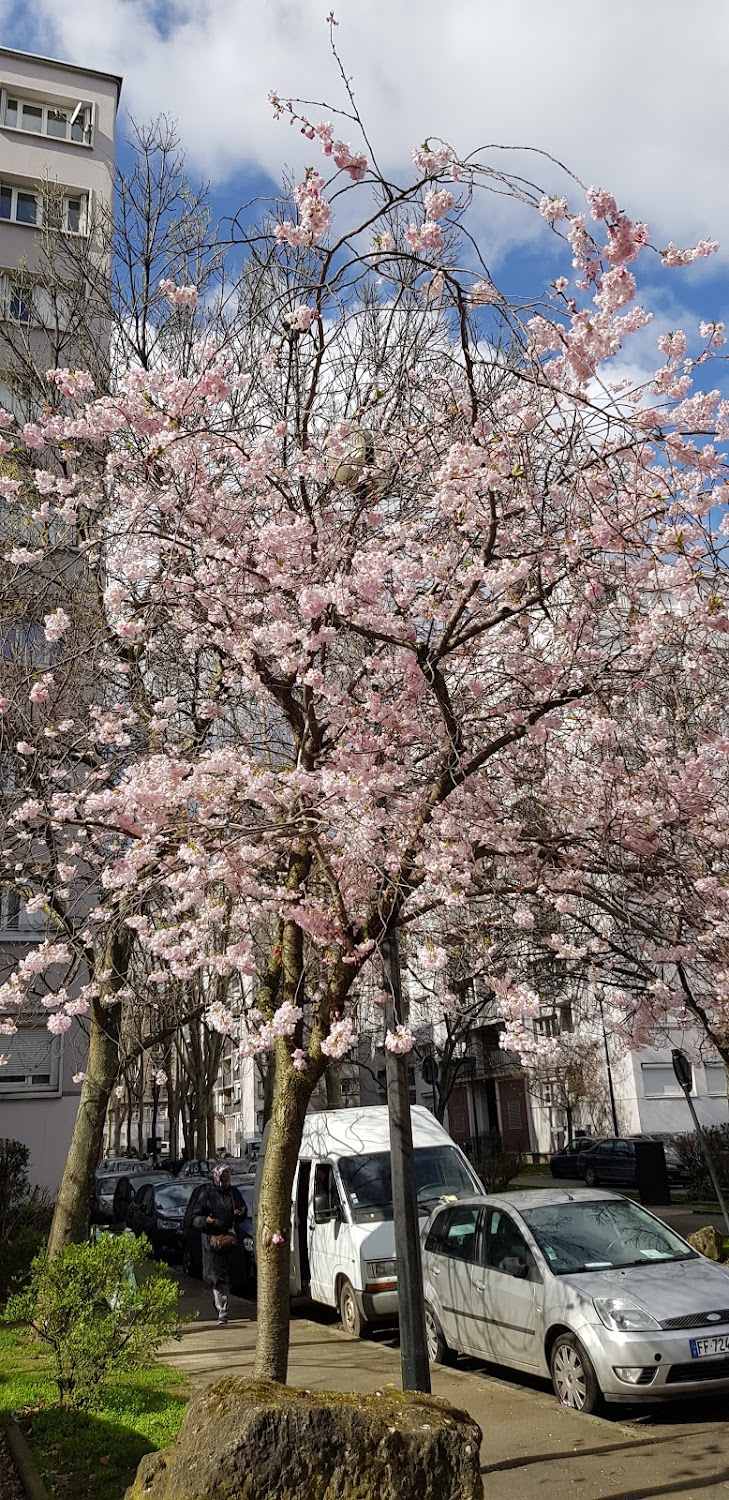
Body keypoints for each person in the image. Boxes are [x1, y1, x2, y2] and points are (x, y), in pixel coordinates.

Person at [192, 1166, 247, 1325]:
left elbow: (243, 1212)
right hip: (213, 1244)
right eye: (222, 1180)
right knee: (218, 1279)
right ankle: (222, 1311)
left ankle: (224, 1305)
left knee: (230, 1277)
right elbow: (195, 1218)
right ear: (216, 1179)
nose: (225, 1183)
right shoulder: (206, 1194)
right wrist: (206, 1221)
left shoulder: (234, 1193)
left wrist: (240, 1213)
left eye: (227, 1180)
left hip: (230, 1241)